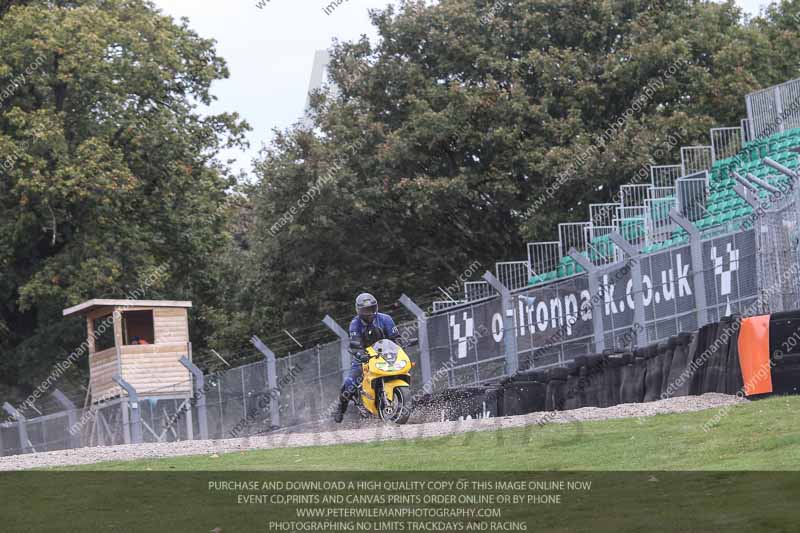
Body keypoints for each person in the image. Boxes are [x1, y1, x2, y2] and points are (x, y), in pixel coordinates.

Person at [333, 293, 402, 423]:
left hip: (386, 356)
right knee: (349, 384)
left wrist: (401, 344)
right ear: (359, 311)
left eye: (371, 309)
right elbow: (355, 344)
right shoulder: (355, 324)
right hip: (364, 357)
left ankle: (399, 397)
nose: (369, 313)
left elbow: (395, 338)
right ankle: (341, 408)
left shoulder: (386, 319)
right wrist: (360, 354)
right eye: (365, 310)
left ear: (376, 307)